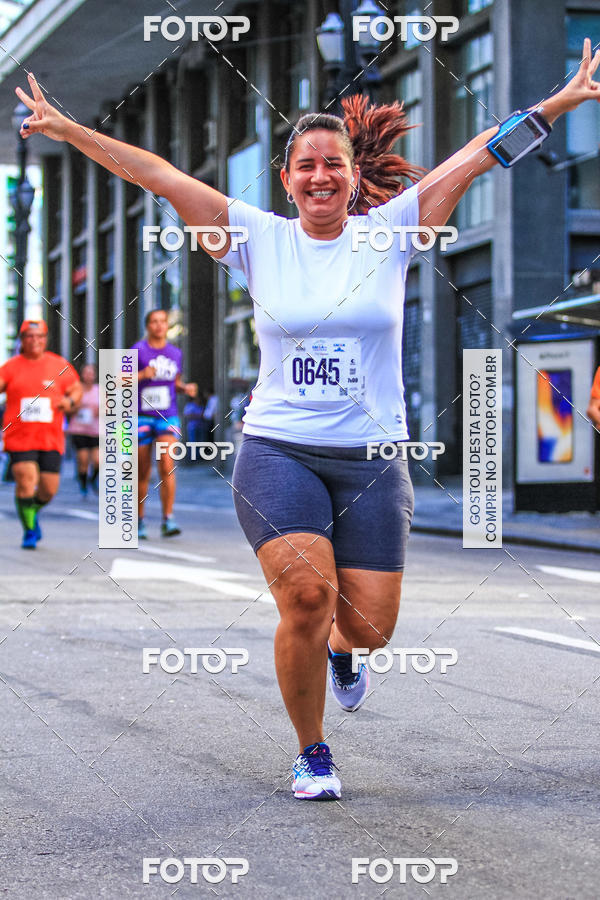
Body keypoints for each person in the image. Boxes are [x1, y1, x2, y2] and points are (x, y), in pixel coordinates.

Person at [15, 40, 600, 796]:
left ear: (353, 177)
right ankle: (312, 751)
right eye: (305, 166)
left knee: (370, 627)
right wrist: (66, 129)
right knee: (306, 597)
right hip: (277, 449)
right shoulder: (256, 237)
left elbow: (479, 154)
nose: (320, 175)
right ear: (287, 179)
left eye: (333, 164)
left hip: (372, 458)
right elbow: (156, 174)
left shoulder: (393, 231)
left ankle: (344, 653)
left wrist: (559, 101)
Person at [0, 320, 81, 548]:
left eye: (39, 336)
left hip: (51, 439)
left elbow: (76, 389)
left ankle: (30, 511)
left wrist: (70, 401)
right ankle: (29, 531)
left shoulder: (59, 365)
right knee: (25, 481)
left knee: (48, 490)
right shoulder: (11, 367)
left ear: (45, 339)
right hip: (19, 437)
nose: (34, 340)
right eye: (29, 336)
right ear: (22, 340)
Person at [133, 309, 198, 538]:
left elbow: (175, 382)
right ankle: (139, 520)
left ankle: (168, 519)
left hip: (167, 416)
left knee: (167, 466)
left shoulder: (175, 353)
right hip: (141, 416)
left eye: (163, 321)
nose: (159, 325)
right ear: (147, 326)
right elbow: (119, 380)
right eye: (154, 321)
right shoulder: (137, 350)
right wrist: (142, 374)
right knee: (142, 471)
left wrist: (185, 388)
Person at [67, 362, 99, 497]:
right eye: (86, 373)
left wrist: (100, 411)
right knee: (83, 460)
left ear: (95, 375)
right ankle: (83, 484)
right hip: (79, 429)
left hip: (96, 430)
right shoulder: (76, 389)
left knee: (98, 460)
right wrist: (76, 408)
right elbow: (67, 408)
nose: (88, 376)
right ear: (82, 374)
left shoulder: (100, 390)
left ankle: (93, 479)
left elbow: (109, 408)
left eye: (91, 373)